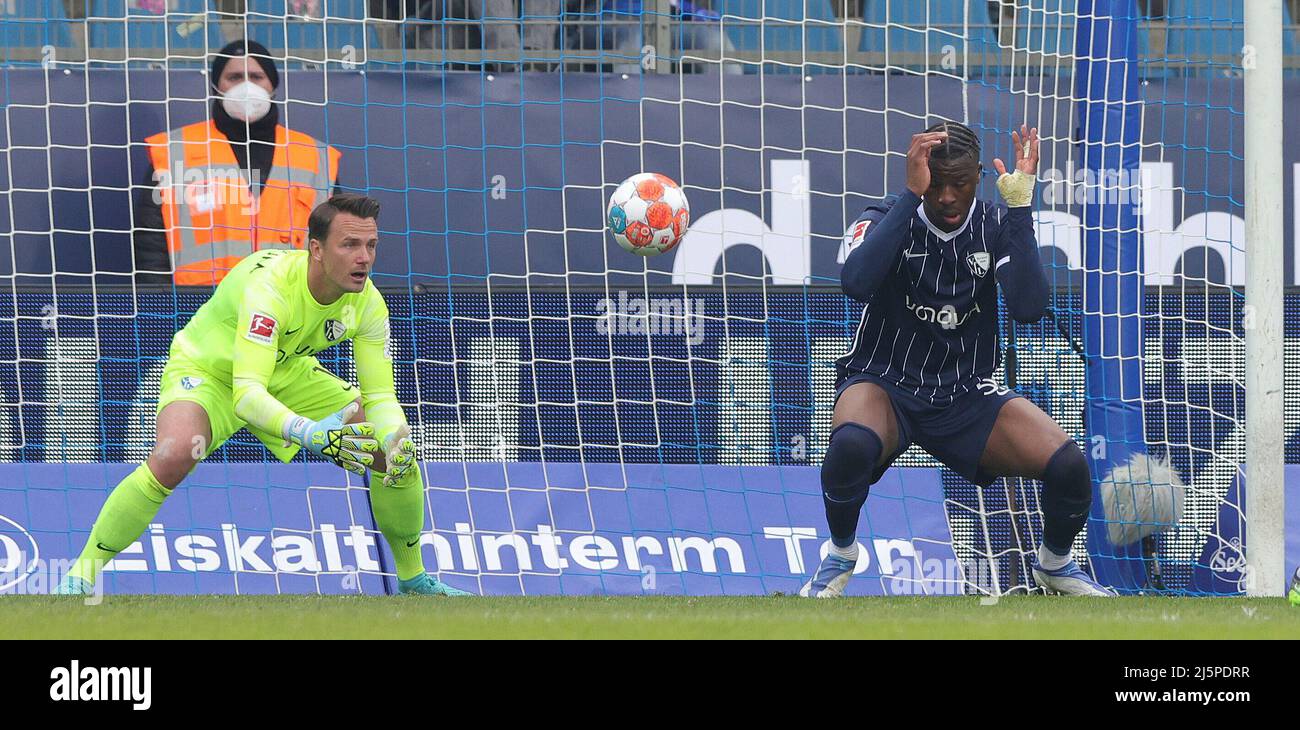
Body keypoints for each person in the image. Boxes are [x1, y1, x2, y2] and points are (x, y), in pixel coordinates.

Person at [58, 194, 470, 597]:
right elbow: (247, 396)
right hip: (211, 371)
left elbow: (380, 394)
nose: (364, 257)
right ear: (317, 250)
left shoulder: (368, 304)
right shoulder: (270, 290)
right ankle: (79, 576)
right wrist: (310, 433)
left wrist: (396, 434)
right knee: (175, 452)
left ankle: (414, 581)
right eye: (350, 244)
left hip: (285, 371)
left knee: (391, 453)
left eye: (371, 245)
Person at [801, 121, 1113, 598]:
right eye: (936, 183)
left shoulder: (994, 224)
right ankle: (842, 552)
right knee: (849, 450)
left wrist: (1021, 208)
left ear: (980, 178)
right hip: (887, 383)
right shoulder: (885, 215)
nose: (947, 196)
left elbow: (1028, 308)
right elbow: (856, 284)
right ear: (919, 176)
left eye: (960, 184)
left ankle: (1055, 564)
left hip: (967, 395)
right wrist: (909, 196)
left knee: (1069, 466)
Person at [135, 40, 342, 286]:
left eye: (256, 76)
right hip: (202, 310)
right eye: (234, 77)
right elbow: (151, 244)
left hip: (289, 308)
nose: (246, 86)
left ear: (272, 85)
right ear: (216, 86)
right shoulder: (174, 151)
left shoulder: (314, 155)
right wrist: (159, 302)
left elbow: (338, 238)